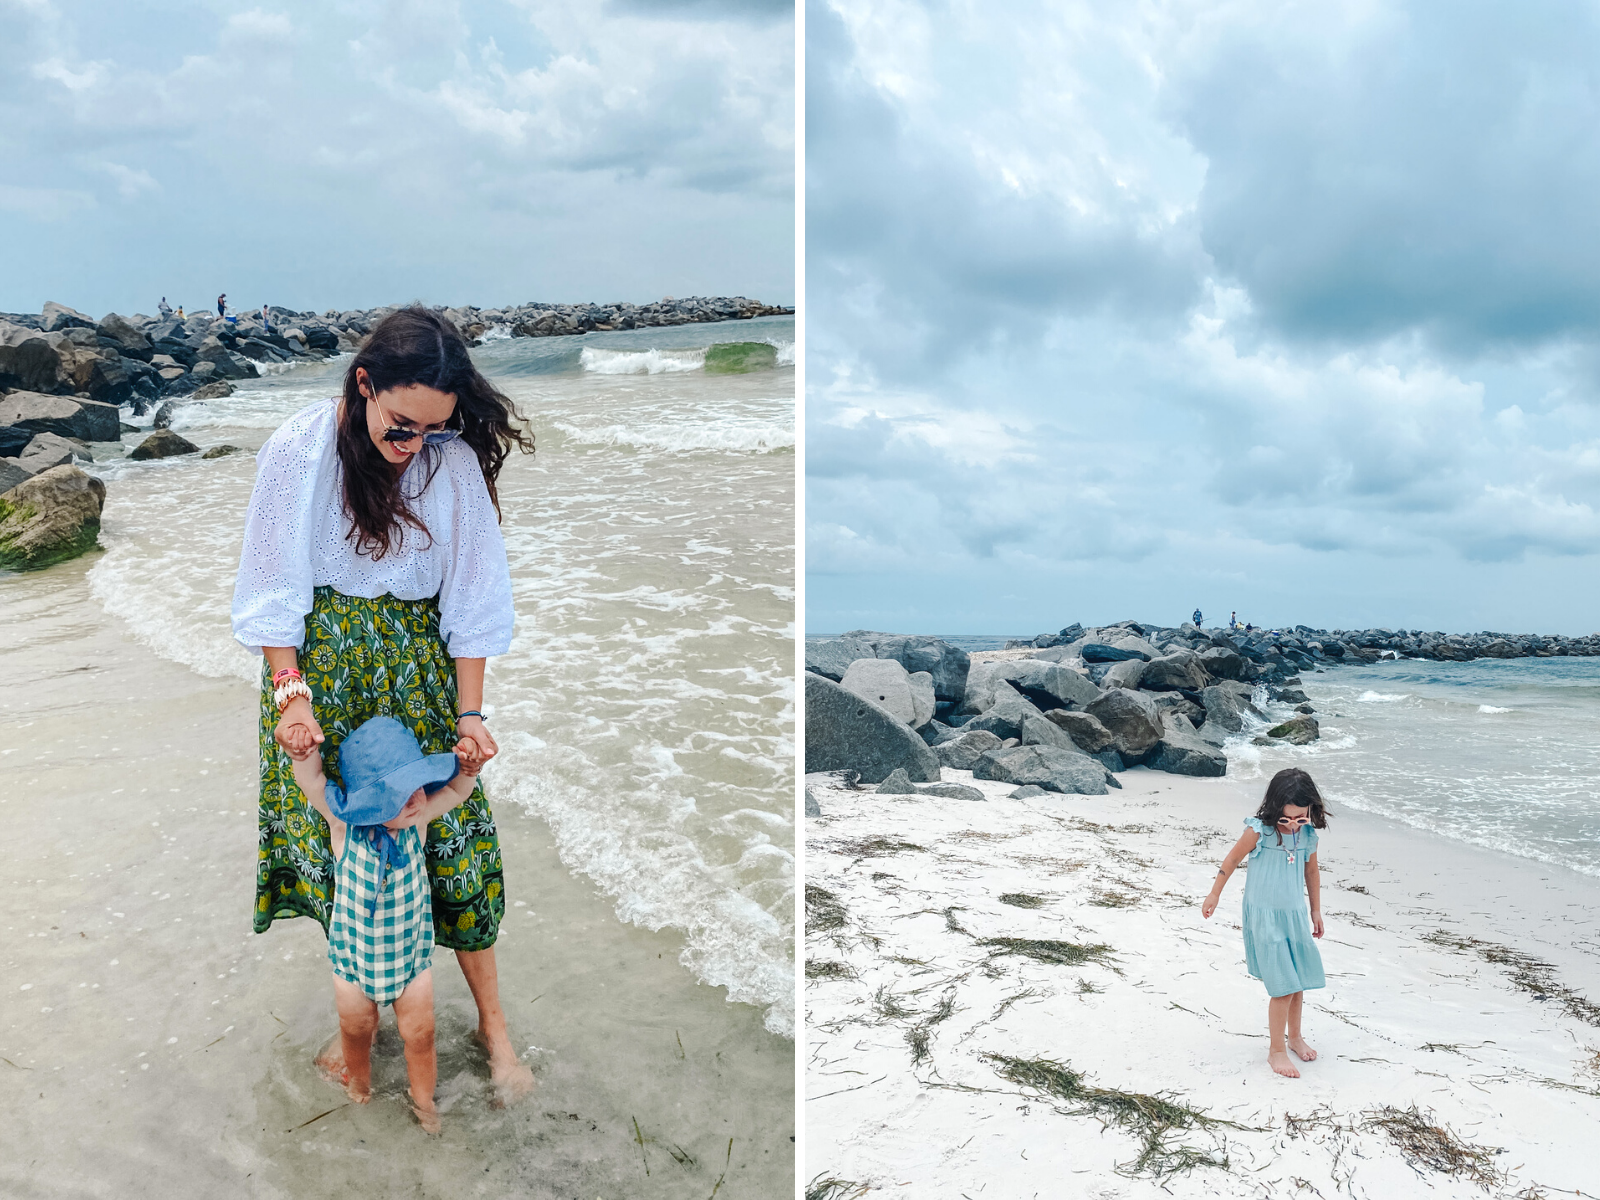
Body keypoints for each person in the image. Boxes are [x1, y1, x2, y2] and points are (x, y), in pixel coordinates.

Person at [231, 305, 538, 1104]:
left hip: (422, 679)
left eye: (433, 429)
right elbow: (271, 591)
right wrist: (289, 696)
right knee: (348, 857)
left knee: (460, 849)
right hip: (321, 679)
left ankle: (493, 1027)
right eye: (402, 426)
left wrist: (470, 716)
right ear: (363, 384)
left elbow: (474, 598)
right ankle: (359, 1028)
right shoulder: (300, 449)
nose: (413, 447)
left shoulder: (450, 462)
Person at [285, 714, 488, 1132]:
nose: (415, 796)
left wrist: (468, 770)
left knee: (421, 1035)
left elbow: (456, 790)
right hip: (355, 964)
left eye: (416, 783)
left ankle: (424, 1102)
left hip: (411, 962)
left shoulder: (418, 821)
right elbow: (312, 781)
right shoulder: (345, 827)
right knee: (355, 1030)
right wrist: (303, 752)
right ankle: (359, 1085)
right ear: (371, 802)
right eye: (399, 791)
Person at [1201, 767, 1327, 1078]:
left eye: (1301, 817)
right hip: (1266, 917)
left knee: (1298, 983)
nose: (1293, 824)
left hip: (1294, 915)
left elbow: (1312, 873)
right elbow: (1230, 861)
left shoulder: (1308, 835)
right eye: (1286, 818)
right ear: (1274, 809)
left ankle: (1295, 1037)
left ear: (1311, 810)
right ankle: (1276, 1051)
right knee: (1283, 987)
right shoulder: (1259, 832)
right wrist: (1214, 894)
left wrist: (1315, 910)